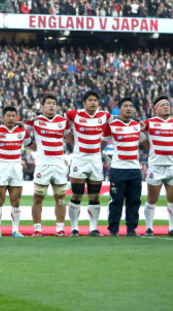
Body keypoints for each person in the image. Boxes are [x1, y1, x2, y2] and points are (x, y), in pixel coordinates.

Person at [65, 91, 110, 237]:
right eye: (90, 100)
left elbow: (118, 123)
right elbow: (59, 124)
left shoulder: (104, 116)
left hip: (96, 162)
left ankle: (93, 228)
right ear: (83, 103)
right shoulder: (73, 115)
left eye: (95, 100)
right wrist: (73, 142)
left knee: (94, 196)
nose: (93, 103)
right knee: (76, 195)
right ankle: (74, 229)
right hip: (79, 160)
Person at [0, 106, 32, 238]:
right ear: (3, 117)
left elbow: (32, 145)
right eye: (8, 115)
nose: (11, 118)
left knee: (16, 201)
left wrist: (29, 126)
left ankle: (15, 230)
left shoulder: (22, 132)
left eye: (13, 116)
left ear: (17, 117)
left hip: (16, 166)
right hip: (1, 166)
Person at [25, 94, 70, 237]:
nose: (51, 106)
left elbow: (70, 136)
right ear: (42, 106)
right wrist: (32, 116)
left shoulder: (63, 121)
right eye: (48, 103)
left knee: (61, 198)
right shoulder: (36, 120)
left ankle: (60, 229)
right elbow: (22, 130)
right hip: (43, 165)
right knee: (38, 198)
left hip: (58, 165)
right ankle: (37, 229)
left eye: (54, 103)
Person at [142, 96, 173, 236]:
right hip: (156, 166)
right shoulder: (149, 123)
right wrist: (152, 149)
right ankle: (149, 228)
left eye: (168, 104)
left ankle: (172, 228)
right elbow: (141, 137)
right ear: (156, 110)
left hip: (172, 166)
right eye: (163, 105)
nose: (166, 107)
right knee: (152, 199)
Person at [101, 98, 144, 237]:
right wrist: (99, 157)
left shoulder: (138, 125)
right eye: (125, 106)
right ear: (119, 109)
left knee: (134, 200)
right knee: (116, 200)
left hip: (134, 169)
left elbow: (145, 141)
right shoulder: (112, 125)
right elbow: (103, 142)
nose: (129, 108)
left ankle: (131, 229)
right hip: (118, 169)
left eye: (131, 106)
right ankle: (113, 229)